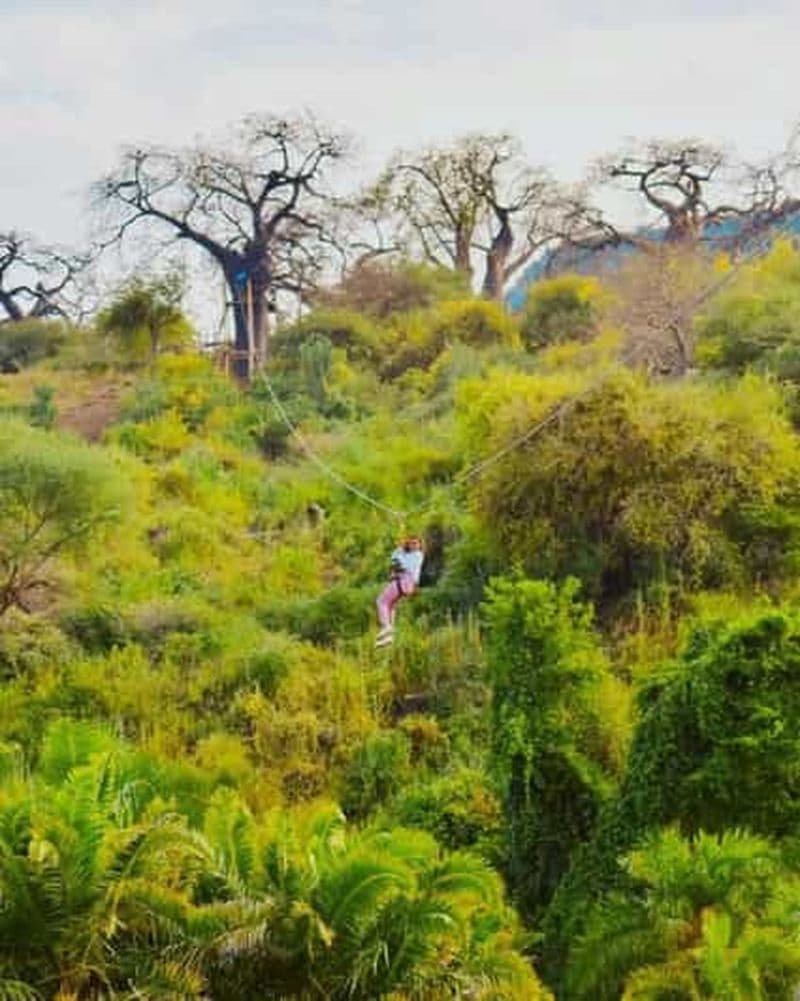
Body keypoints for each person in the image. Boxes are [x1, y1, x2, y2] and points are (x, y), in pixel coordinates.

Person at [375, 536, 424, 647]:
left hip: (404, 581)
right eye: (411, 543)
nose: (413, 545)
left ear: (420, 545)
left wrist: (400, 549)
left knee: (381, 601)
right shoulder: (409, 555)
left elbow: (402, 563)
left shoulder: (418, 555)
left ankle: (386, 627)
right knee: (390, 606)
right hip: (405, 584)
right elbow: (394, 558)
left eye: (415, 543)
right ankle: (389, 636)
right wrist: (400, 548)